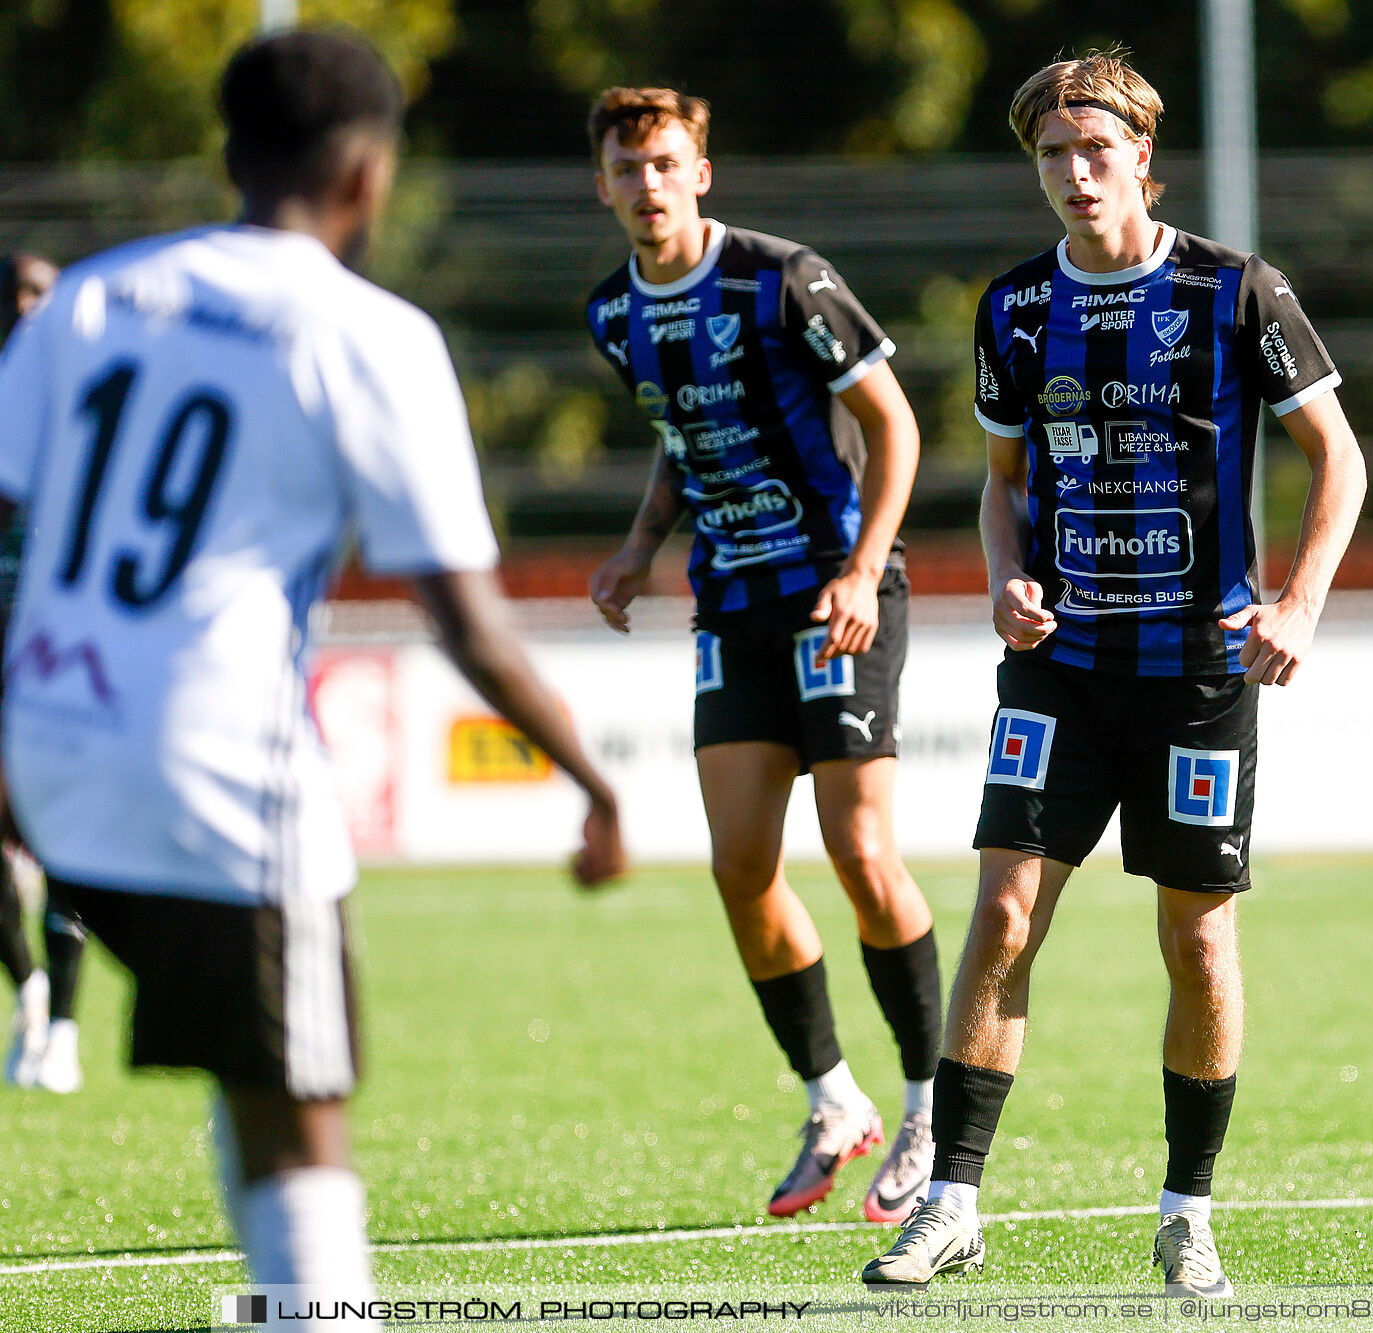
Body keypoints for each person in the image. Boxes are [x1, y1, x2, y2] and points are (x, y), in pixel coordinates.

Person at [0, 28, 624, 1328]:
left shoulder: (89, 300)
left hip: (44, 742)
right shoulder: (367, 333)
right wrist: (593, 782)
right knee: (302, 1108)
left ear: (228, 152)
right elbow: (465, 620)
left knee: (252, 1055)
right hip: (213, 769)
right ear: (369, 174)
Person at [863, 48, 1366, 1292]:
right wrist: (1002, 581)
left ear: (1142, 155)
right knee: (1004, 911)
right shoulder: (1013, 309)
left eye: (1095, 151)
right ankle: (952, 1198)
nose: (1074, 174)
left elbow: (1338, 461)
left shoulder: (1236, 293)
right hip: (1058, 664)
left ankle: (1186, 1209)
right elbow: (1001, 487)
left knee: (1195, 941)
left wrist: (1297, 600)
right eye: (1051, 155)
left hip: (1198, 668)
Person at [584, 87, 940, 1223]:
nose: (648, 185)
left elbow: (894, 425)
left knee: (860, 851)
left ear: (702, 172)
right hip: (730, 600)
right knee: (740, 866)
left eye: (666, 164)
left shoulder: (782, 277)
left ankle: (932, 1104)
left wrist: (858, 569)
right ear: (603, 185)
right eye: (627, 168)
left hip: (838, 591)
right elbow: (678, 436)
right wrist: (640, 548)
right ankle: (835, 1099)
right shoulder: (610, 312)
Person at [0, 250, 90, 1094]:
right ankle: (27, 986)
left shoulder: (92, 397)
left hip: (67, 644)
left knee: (66, 834)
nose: (34, 308)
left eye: (44, 294)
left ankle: (60, 1025)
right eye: (21, 294)